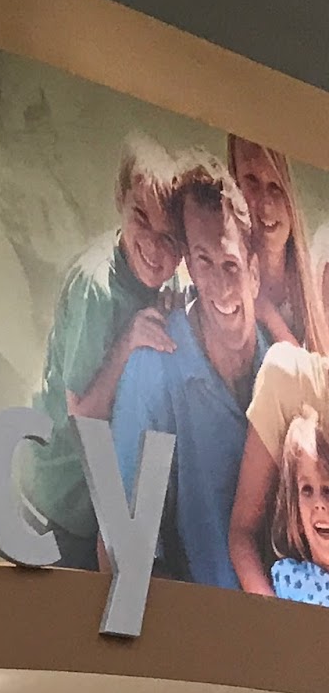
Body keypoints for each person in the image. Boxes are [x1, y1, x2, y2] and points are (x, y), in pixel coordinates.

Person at [23, 134, 185, 571]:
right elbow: (82, 415)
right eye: (141, 218)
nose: (154, 247)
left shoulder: (167, 281)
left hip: (101, 504)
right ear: (119, 199)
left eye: (170, 238)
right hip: (58, 502)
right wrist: (128, 341)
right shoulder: (97, 287)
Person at [108, 157, 267, 589]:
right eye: (204, 261)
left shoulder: (281, 365)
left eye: (230, 264)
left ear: (253, 272)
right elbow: (125, 548)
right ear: (189, 269)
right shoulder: (153, 370)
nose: (221, 286)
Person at [229, 136, 324, 351]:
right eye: (252, 181)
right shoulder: (221, 287)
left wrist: (268, 315)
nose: (266, 204)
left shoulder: (320, 275)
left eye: (277, 186)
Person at [264, 408, 329, 605]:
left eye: (328, 490)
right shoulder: (291, 580)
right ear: (297, 517)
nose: (319, 504)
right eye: (307, 490)